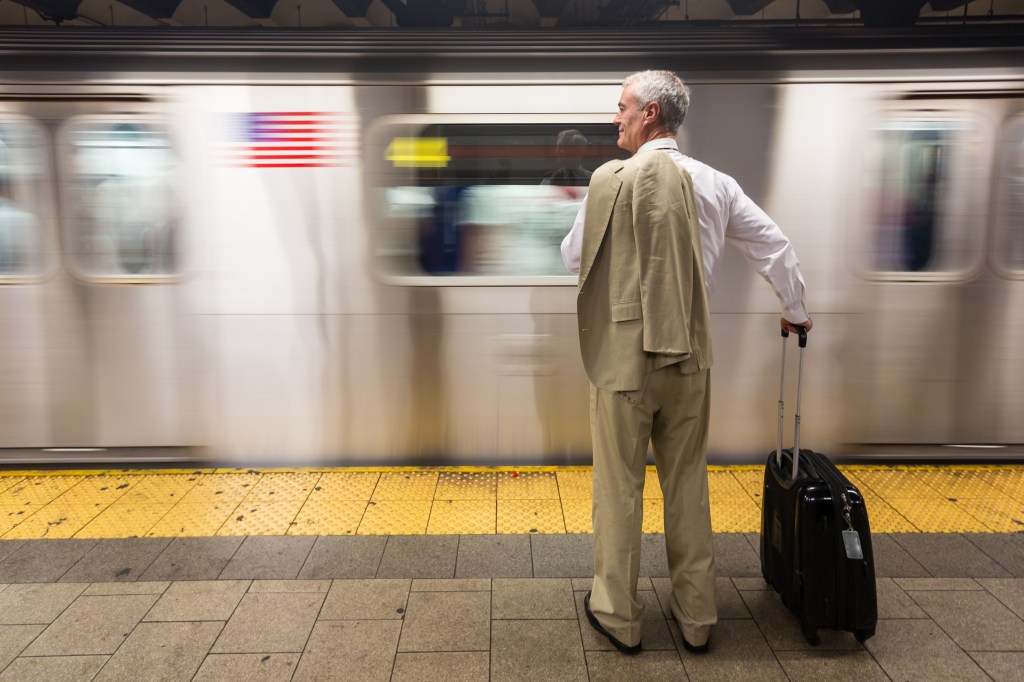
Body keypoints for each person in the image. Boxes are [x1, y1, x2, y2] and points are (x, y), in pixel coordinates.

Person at [560, 70, 812, 656]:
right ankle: (697, 617)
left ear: (649, 113)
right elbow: (772, 245)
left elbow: (573, 255)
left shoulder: (610, 182)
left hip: (623, 364)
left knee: (618, 490)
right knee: (687, 487)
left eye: (622, 106)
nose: (614, 116)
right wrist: (795, 309)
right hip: (690, 360)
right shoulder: (714, 183)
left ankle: (619, 617)